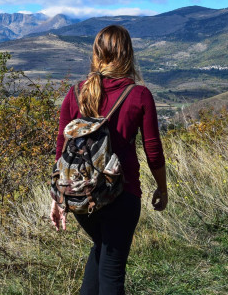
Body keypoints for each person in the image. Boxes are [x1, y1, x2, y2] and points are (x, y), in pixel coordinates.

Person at [50, 24, 167, 295]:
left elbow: (62, 149)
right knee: (112, 273)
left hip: (81, 195)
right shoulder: (138, 95)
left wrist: (57, 198)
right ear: (128, 54)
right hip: (121, 194)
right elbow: (153, 152)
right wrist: (162, 189)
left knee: (101, 252)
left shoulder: (76, 92)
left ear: (95, 53)